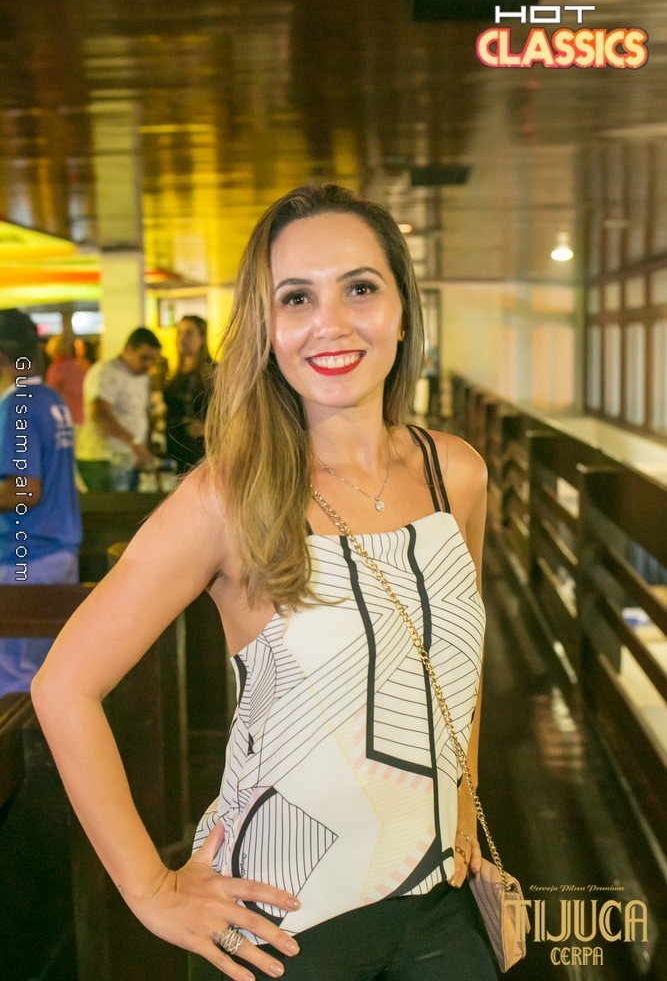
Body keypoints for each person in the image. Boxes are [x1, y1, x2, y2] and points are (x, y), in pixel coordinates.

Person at [31, 185, 496, 981]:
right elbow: (63, 686)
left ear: (401, 310)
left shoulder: (454, 472)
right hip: (283, 924)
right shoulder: (229, 498)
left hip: (441, 897)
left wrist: (463, 801)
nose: (330, 323)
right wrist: (151, 890)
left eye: (359, 288)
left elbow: (453, 663)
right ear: (267, 329)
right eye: (296, 297)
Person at [0, 309, 82, 694]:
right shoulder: (49, 398)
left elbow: (25, 489)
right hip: (57, 551)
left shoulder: (15, 405)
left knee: (14, 679)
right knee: (48, 675)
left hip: (26, 556)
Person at [76, 327, 161, 491]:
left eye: (153, 360)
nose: (148, 365)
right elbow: (99, 413)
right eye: (144, 358)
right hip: (103, 458)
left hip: (128, 459)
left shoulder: (142, 376)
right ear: (128, 349)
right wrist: (134, 443)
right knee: (113, 506)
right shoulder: (107, 372)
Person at [163, 315, 214, 473]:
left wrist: (210, 429)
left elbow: (233, 412)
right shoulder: (175, 374)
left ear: (202, 338)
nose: (182, 338)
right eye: (180, 332)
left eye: (189, 333)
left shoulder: (212, 373)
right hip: (174, 451)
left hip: (199, 452)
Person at [45, 334, 87, 426]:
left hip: (66, 418)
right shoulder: (81, 366)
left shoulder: (56, 369)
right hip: (82, 416)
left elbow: (51, 396)